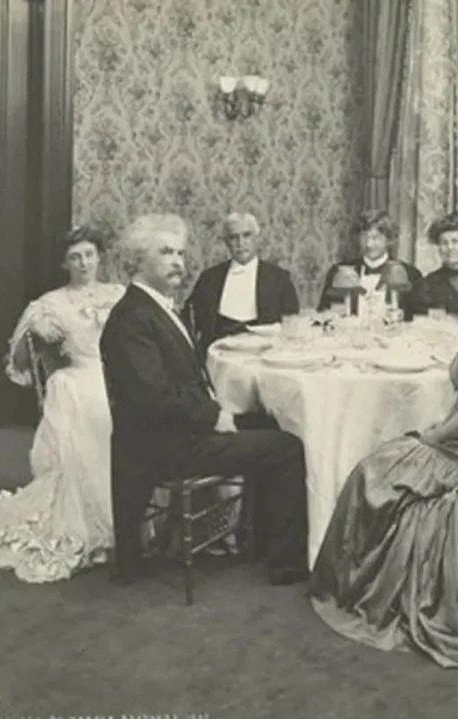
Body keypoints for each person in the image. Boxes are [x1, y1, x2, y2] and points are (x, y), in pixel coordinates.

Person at [310, 239, 458, 671]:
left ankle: (357, 587)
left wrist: (430, 439)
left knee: (374, 471)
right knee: (383, 464)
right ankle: (357, 579)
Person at [99, 213, 308, 585]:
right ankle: (286, 563)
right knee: (288, 448)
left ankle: (259, 542)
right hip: (166, 445)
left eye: (180, 252)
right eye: (165, 252)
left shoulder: (156, 307)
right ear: (138, 261)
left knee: (272, 425)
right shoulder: (132, 317)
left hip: (176, 431)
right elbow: (154, 396)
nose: (178, 261)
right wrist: (213, 415)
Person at [0, 226, 126, 583]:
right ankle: (106, 521)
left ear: (100, 258)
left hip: (122, 375)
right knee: (92, 408)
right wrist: (36, 331)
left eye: (90, 255)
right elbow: (18, 359)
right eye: (75, 257)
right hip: (82, 376)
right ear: (65, 263)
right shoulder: (51, 304)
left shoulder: (119, 294)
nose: (84, 264)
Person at [183, 212, 299, 358]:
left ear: (256, 239)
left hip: (265, 354)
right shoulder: (209, 278)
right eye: (233, 237)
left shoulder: (279, 278)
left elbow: (292, 322)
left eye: (246, 235)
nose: (240, 243)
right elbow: (190, 316)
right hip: (217, 353)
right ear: (226, 243)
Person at [317, 209, 428, 320]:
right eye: (364, 237)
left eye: (376, 237)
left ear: (389, 240)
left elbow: (421, 319)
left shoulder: (410, 274)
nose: (369, 244)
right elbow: (323, 313)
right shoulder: (339, 272)